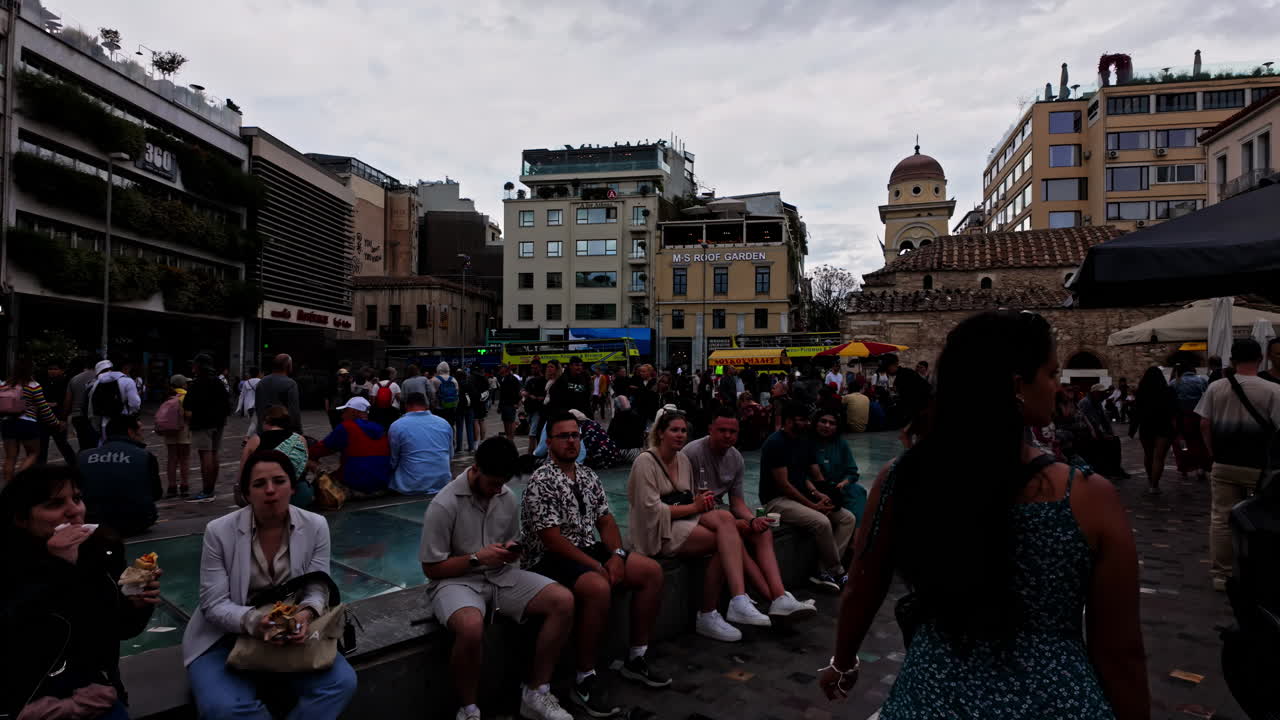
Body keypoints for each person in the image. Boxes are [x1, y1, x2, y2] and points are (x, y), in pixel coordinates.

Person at [820, 310, 1149, 718]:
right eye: (1050, 373)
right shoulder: (1086, 497)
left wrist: (843, 661)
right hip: (1054, 701)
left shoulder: (902, 480)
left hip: (931, 698)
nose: (1057, 386)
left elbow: (862, 588)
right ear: (1017, 387)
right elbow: (1121, 652)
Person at [182, 450, 357, 720]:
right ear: (247, 493)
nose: (270, 491)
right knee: (224, 708)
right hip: (224, 635)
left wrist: (305, 615)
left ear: (293, 486)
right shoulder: (219, 531)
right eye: (259, 484)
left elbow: (317, 586)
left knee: (340, 683)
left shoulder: (316, 525)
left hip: (289, 635)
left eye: (279, 481)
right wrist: (255, 622)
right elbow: (213, 604)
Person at [521, 411, 670, 716]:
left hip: (587, 549)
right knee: (597, 587)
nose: (571, 441)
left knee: (651, 572)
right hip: (550, 558)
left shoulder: (587, 475)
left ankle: (636, 657)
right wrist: (596, 565)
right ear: (549, 443)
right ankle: (584, 677)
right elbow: (551, 538)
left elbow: (605, 520)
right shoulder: (541, 479)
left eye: (575, 435)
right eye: (564, 436)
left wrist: (615, 555)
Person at [419, 437, 576, 720]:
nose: (496, 491)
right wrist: (477, 558)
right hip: (456, 581)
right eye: (492, 484)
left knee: (562, 600)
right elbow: (432, 569)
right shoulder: (444, 504)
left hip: (501, 576)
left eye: (501, 484)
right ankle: (468, 709)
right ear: (476, 469)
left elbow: (510, 545)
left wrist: (511, 551)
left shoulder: (506, 496)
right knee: (469, 626)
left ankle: (537, 692)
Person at [0, 464, 161, 720]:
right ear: (21, 519)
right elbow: (18, 639)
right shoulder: (9, 565)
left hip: (91, 689)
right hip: (23, 695)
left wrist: (137, 605)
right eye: (54, 504)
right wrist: (58, 566)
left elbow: (116, 631)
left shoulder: (101, 551)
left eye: (77, 498)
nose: (74, 511)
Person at [627, 408, 772, 642]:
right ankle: (710, 611)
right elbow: (650, 511)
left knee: (725, 522)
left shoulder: (683, 460)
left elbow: (689, 497)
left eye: (683, 430)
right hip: (655, 530)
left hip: (680, 521)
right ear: (661, 433)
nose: (680, 435)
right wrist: (695, 508)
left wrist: (700, 503)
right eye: (674, 430)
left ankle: (737, 599)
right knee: (723, 542)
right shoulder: (645, 462)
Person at [682, 408, 816, 619]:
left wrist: (753, 519)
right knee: (735, 533)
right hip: (696, 513)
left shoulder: (736, 459)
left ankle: (779, 597)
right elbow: (686, 501)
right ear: (710, 430)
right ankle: (774, 598)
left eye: (733, 431)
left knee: (762, 531)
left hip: (720, 512)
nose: (728, 435)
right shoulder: (691, 453)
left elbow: (737, 502)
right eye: (722, 430)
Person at [1195, 338, 1280, 592]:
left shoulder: (1217, 388)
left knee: (1221, 518)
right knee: (1262, 517)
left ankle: (1222, 574)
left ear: (1232, 360)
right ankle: (1257, 569)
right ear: (1260, 359)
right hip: (1260, 467)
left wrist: (1213, 452)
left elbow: (1204, 424)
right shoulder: (1273, 391)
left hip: (1224, 463)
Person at [760, 401, 857, 591]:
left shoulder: (803, 441)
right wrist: (813, 506)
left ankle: (823, 570)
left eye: (807, 420)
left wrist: (819, 494)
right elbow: (784, 485)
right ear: (788, 421)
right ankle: (837, 571)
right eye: (802, 420)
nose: (807, 424)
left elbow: (807, 476)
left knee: (847, 518)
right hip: (777, 501)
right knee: (821, 521)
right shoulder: (775, 443)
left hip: (800, 496)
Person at [78, 416, 161, 537]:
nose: (142, 436)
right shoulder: (145, 456)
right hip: (137, 521)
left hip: (94, 521)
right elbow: (156, 493)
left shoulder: (83, 457)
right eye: (140, 431)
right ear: (130, 432)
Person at [313, 396, 391, 496]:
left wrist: (308, 457)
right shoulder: (381, 428)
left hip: (355, 483)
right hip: (382, 482)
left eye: (345, 411)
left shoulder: (347, 427)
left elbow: (322, 448)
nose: (342, 416)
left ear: (354, 412)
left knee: (318, 484)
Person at [2, 358, 63, 485]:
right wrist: (55, 422)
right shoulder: (33, 385)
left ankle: (8, 487)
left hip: (7, 422)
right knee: (33, 453)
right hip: (27, 423)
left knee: (10, 457)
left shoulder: (5, 385)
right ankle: (19, 479)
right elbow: (44, 408)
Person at [239, 407, 312, 508]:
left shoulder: (255, 441)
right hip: (299, 493)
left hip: (268, 496)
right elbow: (304, 467)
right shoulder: (300, 439)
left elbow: (243, 474)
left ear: (267, 421)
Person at [184, 356, 230, 503]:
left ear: (199, 367)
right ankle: (211, 488)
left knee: (205, 455)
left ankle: (206, 490)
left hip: (202, 423)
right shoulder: (219, 382)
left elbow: (187, 405)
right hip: (219, 422)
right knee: (214, 453)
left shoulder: (196, 383)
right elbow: (228, 404)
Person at [388, 392, 453, 495]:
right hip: (442, 483)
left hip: (410, 485)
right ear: (426, 405)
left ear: (406, 406)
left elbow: (393, 460)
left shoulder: (397, 426)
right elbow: (450, 455)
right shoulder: (444, 423)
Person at [812, 409, 866, 524]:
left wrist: (843, 483)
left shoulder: (841, 444)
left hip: (840, 487)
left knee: (858, 491)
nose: (827, 426)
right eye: (823, 421)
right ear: (816, 422)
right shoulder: (807, 443)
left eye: (832, 423)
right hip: (816, 489)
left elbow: (852, 471)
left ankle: (858, 536)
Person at [1129, 367, 1177, 496]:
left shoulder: (1141, 393)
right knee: (1159, 458)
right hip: (1164, 426)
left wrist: (1132, 429)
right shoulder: (1169, 391)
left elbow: (1136, 412)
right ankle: (1154, 485)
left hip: (1147, 426)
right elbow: (1174, 411)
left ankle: (1150, 479)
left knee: (1148, 455)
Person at [1170, 360, 1212, 479]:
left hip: (1182, 418)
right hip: (1199, 416)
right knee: (1200, 443)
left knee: (1183, 443)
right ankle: (1201, 468)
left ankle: (1185, 468)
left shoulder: (1174, 383)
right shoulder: (1202, 380)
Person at [1077, 383, 1128, 480]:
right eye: (1102, 393)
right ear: (1095, 393)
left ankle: (1115, 469)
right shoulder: (1086, 403)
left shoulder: (1097, 402)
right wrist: (1103, 434)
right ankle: (1111, 469)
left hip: (1094, 431)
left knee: (1115, 440)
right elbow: (1091, 422)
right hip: (1085, 432)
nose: (1104, 395)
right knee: (1107, 442)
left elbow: (1104, 420)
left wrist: (1110, 432)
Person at [87, 359, 141, 442]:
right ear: (125, 368)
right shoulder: (127, 381)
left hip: (105, 422)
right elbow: (134, 404)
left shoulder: (97, 382)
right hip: (124, 420)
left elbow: (92, 405)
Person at [38, 360, 77, 466]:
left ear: (62, 370)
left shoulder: (66, 382)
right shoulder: (42, 382)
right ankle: (41, 470)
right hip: (43, 419)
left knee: (62, 445)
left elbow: (66, 402)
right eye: (50, 369)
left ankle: (75, 466)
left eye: (55, 369)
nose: (52, 371)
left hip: (59, 417)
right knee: (42, 447)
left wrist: (63, 418)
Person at [161, 375, 193, 498]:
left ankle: (172, 486)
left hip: (169, 430)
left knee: (172, 458)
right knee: (184, 459)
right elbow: (189, 414)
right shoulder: (186, 395)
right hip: (183, 429)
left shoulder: (168, 395)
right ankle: (184, 486)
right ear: (183, 384)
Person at [255, 354, 302, 436]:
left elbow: (258, 407)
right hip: (283, 430)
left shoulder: (262, 382)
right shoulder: (291, 384)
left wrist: (260, 427)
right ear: (288, 366)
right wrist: (298, 430)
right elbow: (294, 411)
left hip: (264, 429)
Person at [67, 356, 99, 452]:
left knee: (84, 445)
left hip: (78, 416)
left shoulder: (74, 379)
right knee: (96, 445)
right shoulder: (101, 377)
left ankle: (82, 463)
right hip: (95, 416)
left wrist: (64, 417)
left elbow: (68, 401)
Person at [522, 361, 547, 453]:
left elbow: (547, 395)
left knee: (533, 433)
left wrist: (539, 398)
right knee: (533, 433)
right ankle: (535, 452)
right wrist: (527, 394)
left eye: (535, 368)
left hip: (538, 409)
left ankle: (532, 453)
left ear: (540, 368)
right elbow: (524, 391)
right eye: (532, 368)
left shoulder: (544, 380)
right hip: (529, 408)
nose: (533, 370)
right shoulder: (530, 380)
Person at [431, 362, 462, 435]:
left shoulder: (434, 380)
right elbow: (457, 393)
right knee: (450, 426)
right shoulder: (453, 380)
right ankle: (451, 442)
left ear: (438, 369)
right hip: (451, 407)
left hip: (439, 408)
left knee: (439, 428)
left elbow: (431, 395)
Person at [370, 366, 403, 431]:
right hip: (392, 411)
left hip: (379, 411)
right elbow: (399, 398)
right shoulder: (394, 385)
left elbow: (373, 401)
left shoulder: (376, 385)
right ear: (389, 375)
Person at [495, 364, 522, 442]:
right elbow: (502, 394)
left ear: (505, 369)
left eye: (501, 368)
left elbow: (517, 391)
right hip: (505, 403)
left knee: (510, 421)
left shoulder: (512, 378)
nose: (499, 369)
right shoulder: (503, 378)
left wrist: (517, 402)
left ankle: (510, 438)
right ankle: (508, 438)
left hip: (510, 403)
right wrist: (500, 406)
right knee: (506, 421)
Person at [235, 367, 262, 438]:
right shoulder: (261, 381)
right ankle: (247, 439)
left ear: (250, 374)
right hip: (257, 406)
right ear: (258, 373)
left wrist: (239, 407)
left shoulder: (246, 382)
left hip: (248, 407)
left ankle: (254, 439)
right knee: (255, 423)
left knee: (255, 423)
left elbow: (241, 396)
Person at [466, 367, 488, 445]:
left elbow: (469, 390)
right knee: (482, 420)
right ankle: (482, 441)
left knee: (475, 421)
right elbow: (488, 390)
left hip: (474, 402)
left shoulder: (471, 378)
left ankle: (476, 443)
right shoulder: (484, 378)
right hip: (482, 401)